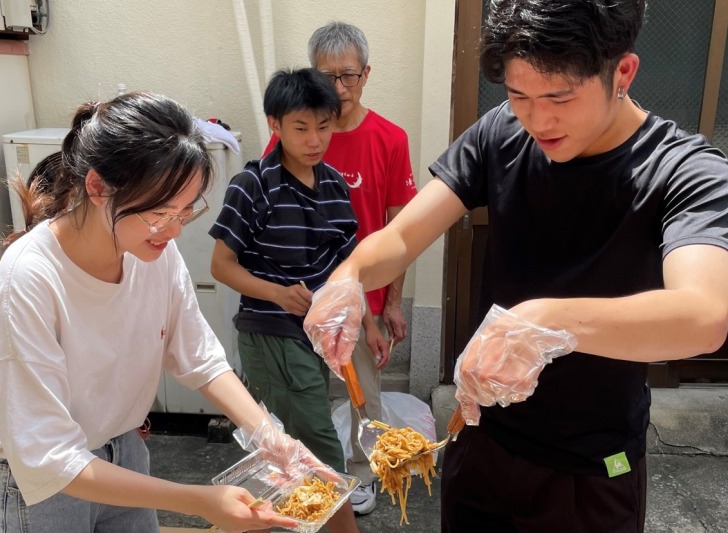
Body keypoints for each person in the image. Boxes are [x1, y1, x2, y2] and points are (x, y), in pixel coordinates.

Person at [303, 1, 728, 532]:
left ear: (622, 72)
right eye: (518, 94)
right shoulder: (502, 131)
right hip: (481, 436)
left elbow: (703, 316)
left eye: (560, 97)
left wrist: (548, 321)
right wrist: (348, 278)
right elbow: (402, 235)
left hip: (592, 464)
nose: (538, 119)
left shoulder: (684, 170)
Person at [0, 91, 329, 533]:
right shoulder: (30, 277)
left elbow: (200, 359)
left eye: (186, 210)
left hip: (121, 453)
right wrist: (200, 502)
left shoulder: (153, 251)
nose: (174, 230)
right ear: (97, 187)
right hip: (30, 482)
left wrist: (273, 439)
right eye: (160, 213)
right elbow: (49, 457)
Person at [262, 22, 418, 514]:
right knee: (298, 394)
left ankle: (363, 475)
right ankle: (302, 475)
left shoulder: (389, 139)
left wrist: (391, 302)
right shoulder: (295, 135)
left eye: (349, 76)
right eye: (327, 76)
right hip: (299, 297)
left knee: (362, 396)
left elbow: (402, 231)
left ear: (366, 74)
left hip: (361, 302)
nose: (339, 88)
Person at [209, 67, 360, 532]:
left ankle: (288, 522)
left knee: (294, 447)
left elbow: (349, 265)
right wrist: (278, 294)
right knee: (319, 446)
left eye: (323, 126)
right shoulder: (254, 185)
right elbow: (221, 266)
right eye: (301, 127)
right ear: (274, 124)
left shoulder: (334, 184)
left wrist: (368, 322)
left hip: (319, 337)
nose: (314, 139)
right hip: (271, 333)